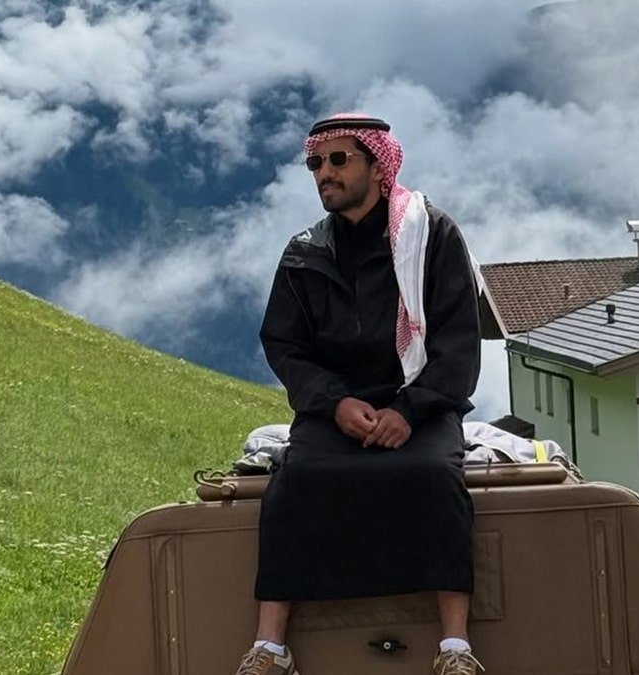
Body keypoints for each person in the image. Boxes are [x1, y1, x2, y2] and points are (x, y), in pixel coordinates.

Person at [235, 113, 484, 675]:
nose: (324, 172)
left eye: (338, 160)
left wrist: (409, 410)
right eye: (315, 163)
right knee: (294, 484)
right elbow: (285, 345)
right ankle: (270, 648)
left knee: (433, 477)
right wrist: (334, 403)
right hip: (335, 409)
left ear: (378, 164)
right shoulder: (305, 251)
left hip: (421, 403)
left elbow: (459, 343)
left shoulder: (432, 236)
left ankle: (455, 647)